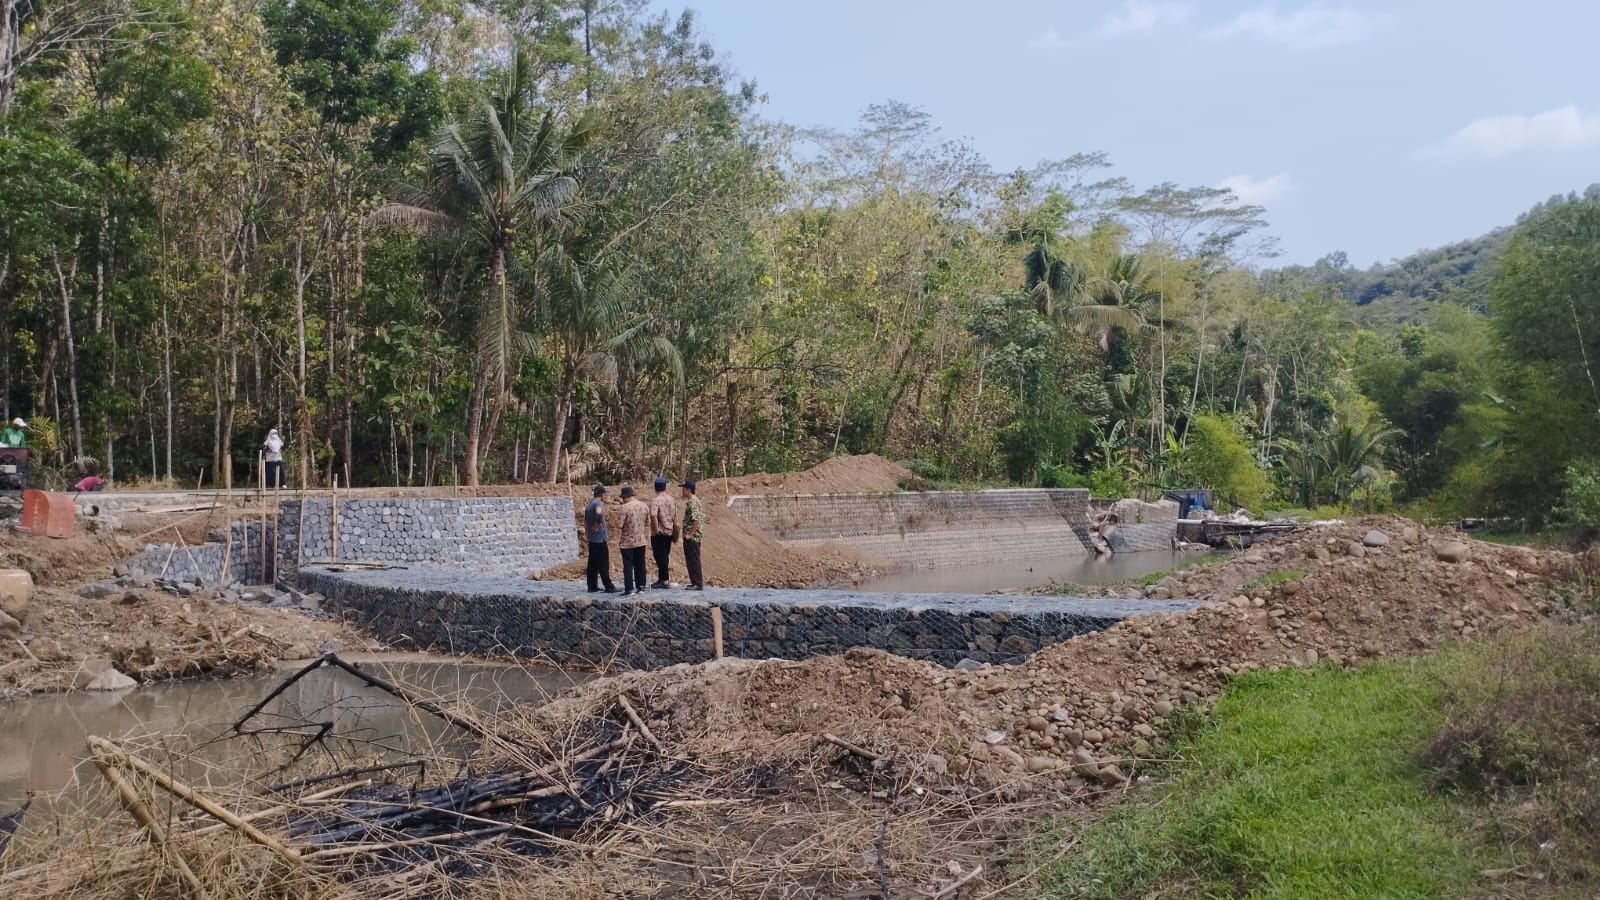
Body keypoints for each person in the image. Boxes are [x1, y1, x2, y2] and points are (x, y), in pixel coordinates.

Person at [583, 484, 618, 593]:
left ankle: (592, 585)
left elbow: (585, 522)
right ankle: (608, 585)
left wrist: (588, 533)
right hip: (600, 539)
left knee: (592, 563)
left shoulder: (589, 505)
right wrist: (598, 523)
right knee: (603, 563)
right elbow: (599, 512)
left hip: (592, 539)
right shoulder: (598, 503)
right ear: (602, 494)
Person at [616, 485, 650, 596]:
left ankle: (629, 589)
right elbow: (647, 523)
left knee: (628, 565)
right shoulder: (644, 506)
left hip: (627, 542)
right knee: (640, 564)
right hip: (641, 540)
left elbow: (619, 525)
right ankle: (641, 587)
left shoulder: (624, 508)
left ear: (624, 497)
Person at [648, 476, 680, 588]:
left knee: (659, 556)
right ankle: (662, 578)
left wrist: (656, 529)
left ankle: (664, 580)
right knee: (665, 556)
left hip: (660, 533)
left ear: (655, 488)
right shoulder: (671, 500)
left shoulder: (656, 500)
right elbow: (675, 516)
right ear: (665, 487)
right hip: (669, 532)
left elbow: (653, 515)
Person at [680, 480, 706, 590]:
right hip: (690, 536)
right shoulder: (691, 501)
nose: (682, 490)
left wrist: (690, 534)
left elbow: (696, 520)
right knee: (690, 560)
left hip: (693, 537)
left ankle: (698, 583)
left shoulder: (694, 502)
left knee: (694, 560)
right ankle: (694, 582)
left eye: (684, 488)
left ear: (688, 490)